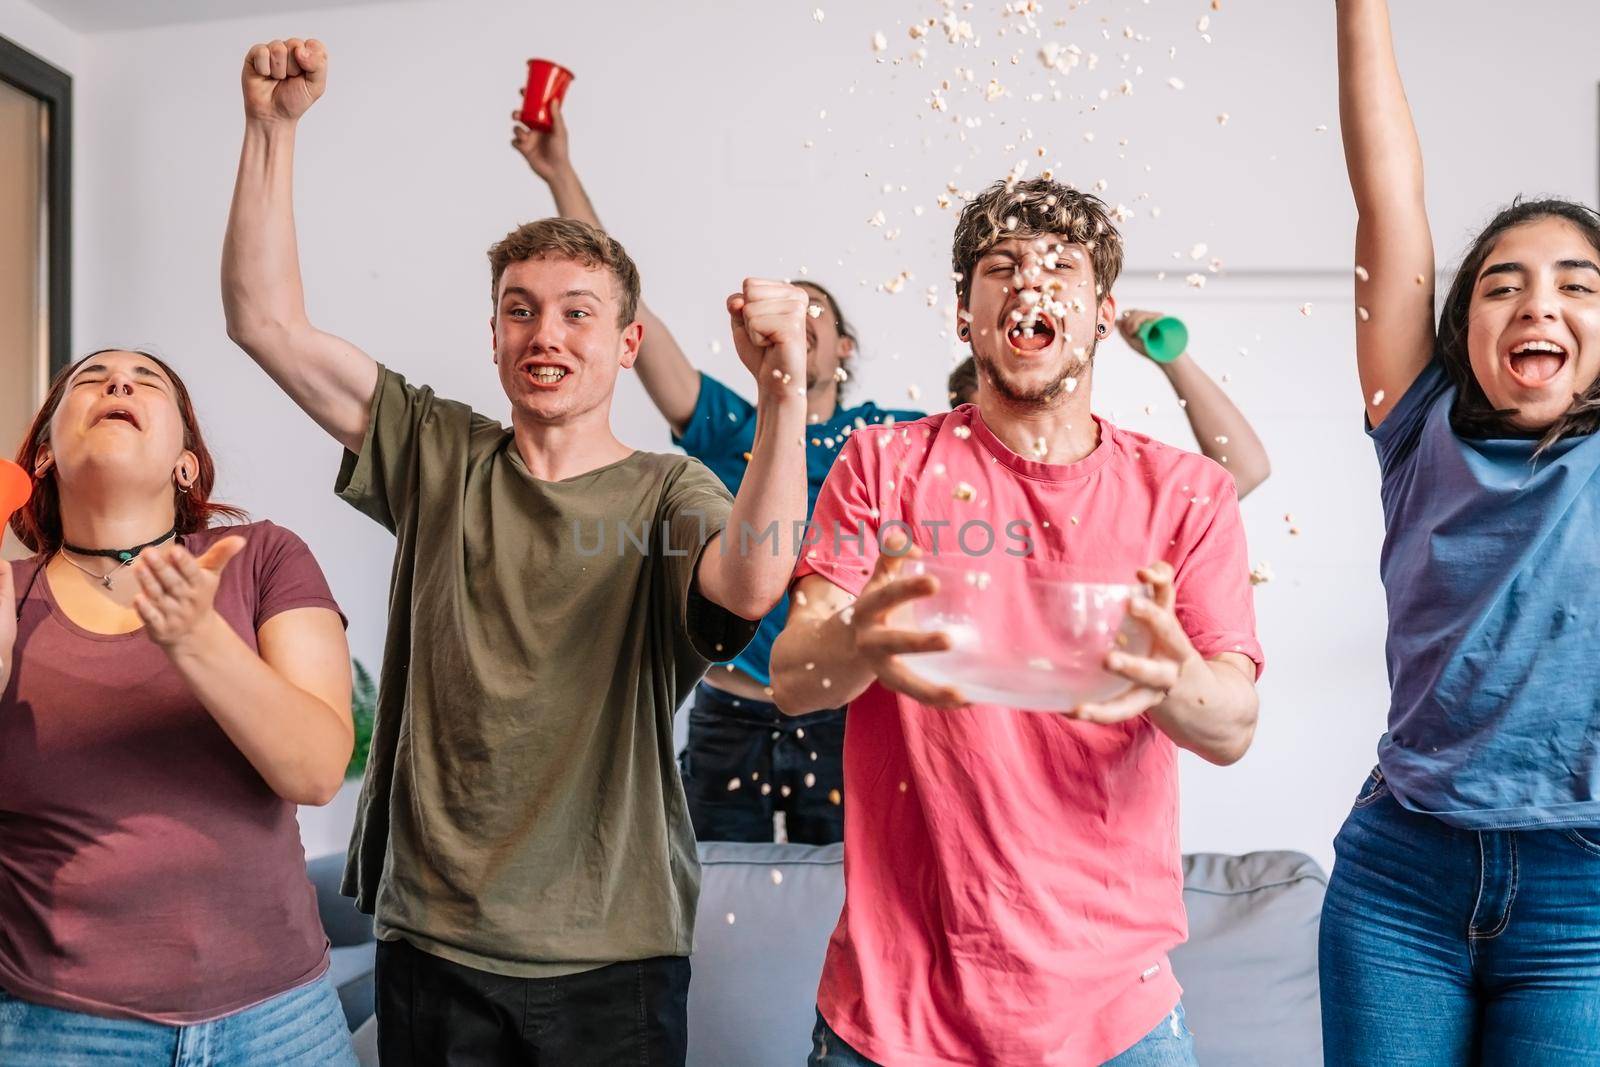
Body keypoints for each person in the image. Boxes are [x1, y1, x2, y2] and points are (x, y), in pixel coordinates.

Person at [223, 39, 809, 1064]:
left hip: (614, 951)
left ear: (626, 344)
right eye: (520, 309)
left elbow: (754, 578)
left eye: (580, 313)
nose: (547, 332)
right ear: (493, 334)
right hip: (435, 939)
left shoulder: (671, 491)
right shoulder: (439, 451)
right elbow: (265, 321)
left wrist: (783, 392)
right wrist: (271, 132)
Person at [771, 176, 1263, 1065]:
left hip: (1117, 1019)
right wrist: (861, 638)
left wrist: (1169, 676)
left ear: (1103, 313)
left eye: (1062, 267)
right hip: (890, 1015)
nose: (1032, 283)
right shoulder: (880, 464)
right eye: (1001, 267)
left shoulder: (1188, 495)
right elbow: (796, 678)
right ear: (965, 314)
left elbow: (1231, 726)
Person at [513, 99, 921, 845]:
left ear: (844, 345)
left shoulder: (887, 439)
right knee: (715, 897)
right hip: (731, 708)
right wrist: (560, 173)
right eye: (787, 312)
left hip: (838, 707)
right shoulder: (737, 423)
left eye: (814, 313)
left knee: (840, 896)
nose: (797, 322)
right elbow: (634, 313)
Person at [1320, 2, 1600, 1060]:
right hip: (1400, 875)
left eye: (1576, 286)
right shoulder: (1417, 424)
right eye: (1501, 284)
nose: (1537, 303)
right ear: (1459, 324)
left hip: (1584, 898)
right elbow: (1385, 189)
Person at [0, 349, 356, 1066]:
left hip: (282, 1024)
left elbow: (316, 769)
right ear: (42, 455)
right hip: (58, 1032)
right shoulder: (10, 590)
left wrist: (198, 640)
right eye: (92, 380)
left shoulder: (262, 557)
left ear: (186, 464)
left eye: (146, 381)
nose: (119, 383)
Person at [945, 308, 1271, 498]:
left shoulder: (1119, 494)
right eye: (1004, 425)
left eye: (1038, 416)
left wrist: (1172, 358)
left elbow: (1245, 469)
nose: (1029, 443)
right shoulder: (948, 494)